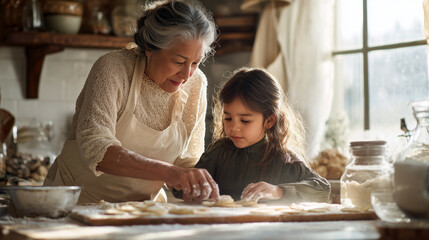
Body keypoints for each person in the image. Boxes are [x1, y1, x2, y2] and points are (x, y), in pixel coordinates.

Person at [43, 0, 220, 204]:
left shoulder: (197, 83)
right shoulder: (113, 69)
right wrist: (170, 172)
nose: (187, 74)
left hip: (141, 209)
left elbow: (186, 162)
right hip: (74, 203)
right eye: (179, 61)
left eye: (196, 63)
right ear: (149, 49)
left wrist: (194, 184)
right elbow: (96, 147)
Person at [193, 67, 330, 203]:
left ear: (269, 121)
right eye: (228, 118)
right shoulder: (218, 152)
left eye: (245, 120)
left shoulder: (284, 160)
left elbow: (323, 190)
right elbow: (186, 186)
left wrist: (279, 191)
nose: (233, 127)